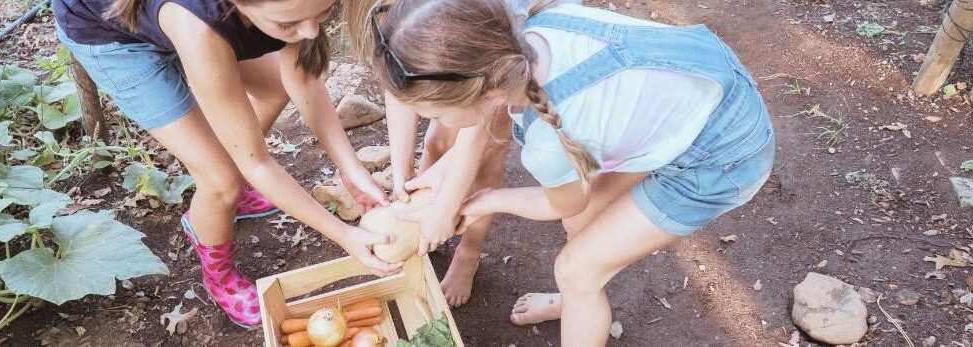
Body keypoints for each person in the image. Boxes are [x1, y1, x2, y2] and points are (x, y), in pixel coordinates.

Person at [350, 0, 776, 345]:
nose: (426, 118)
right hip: (694, 87)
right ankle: (575, 302)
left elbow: (566, 201)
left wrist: (483, 202)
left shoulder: (549, 140)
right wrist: (444, 187)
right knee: (584, 227)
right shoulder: (510, 30)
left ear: (485, 93)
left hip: (720, 154)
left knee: (577, 268)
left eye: (430, 112)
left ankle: (578, 293)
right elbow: (479, 127)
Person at [52, 0, 403, 327]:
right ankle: (219, 275)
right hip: (111, 31)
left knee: (273, 91)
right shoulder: (200, 28)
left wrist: (350, 168)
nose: (311, 31)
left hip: (191, 21)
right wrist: (343, 234)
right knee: (222, 181)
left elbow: (303, 79)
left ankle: (226, 194)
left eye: (325, 13)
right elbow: (259, 164)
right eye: (289, 23)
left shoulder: (295, 11)